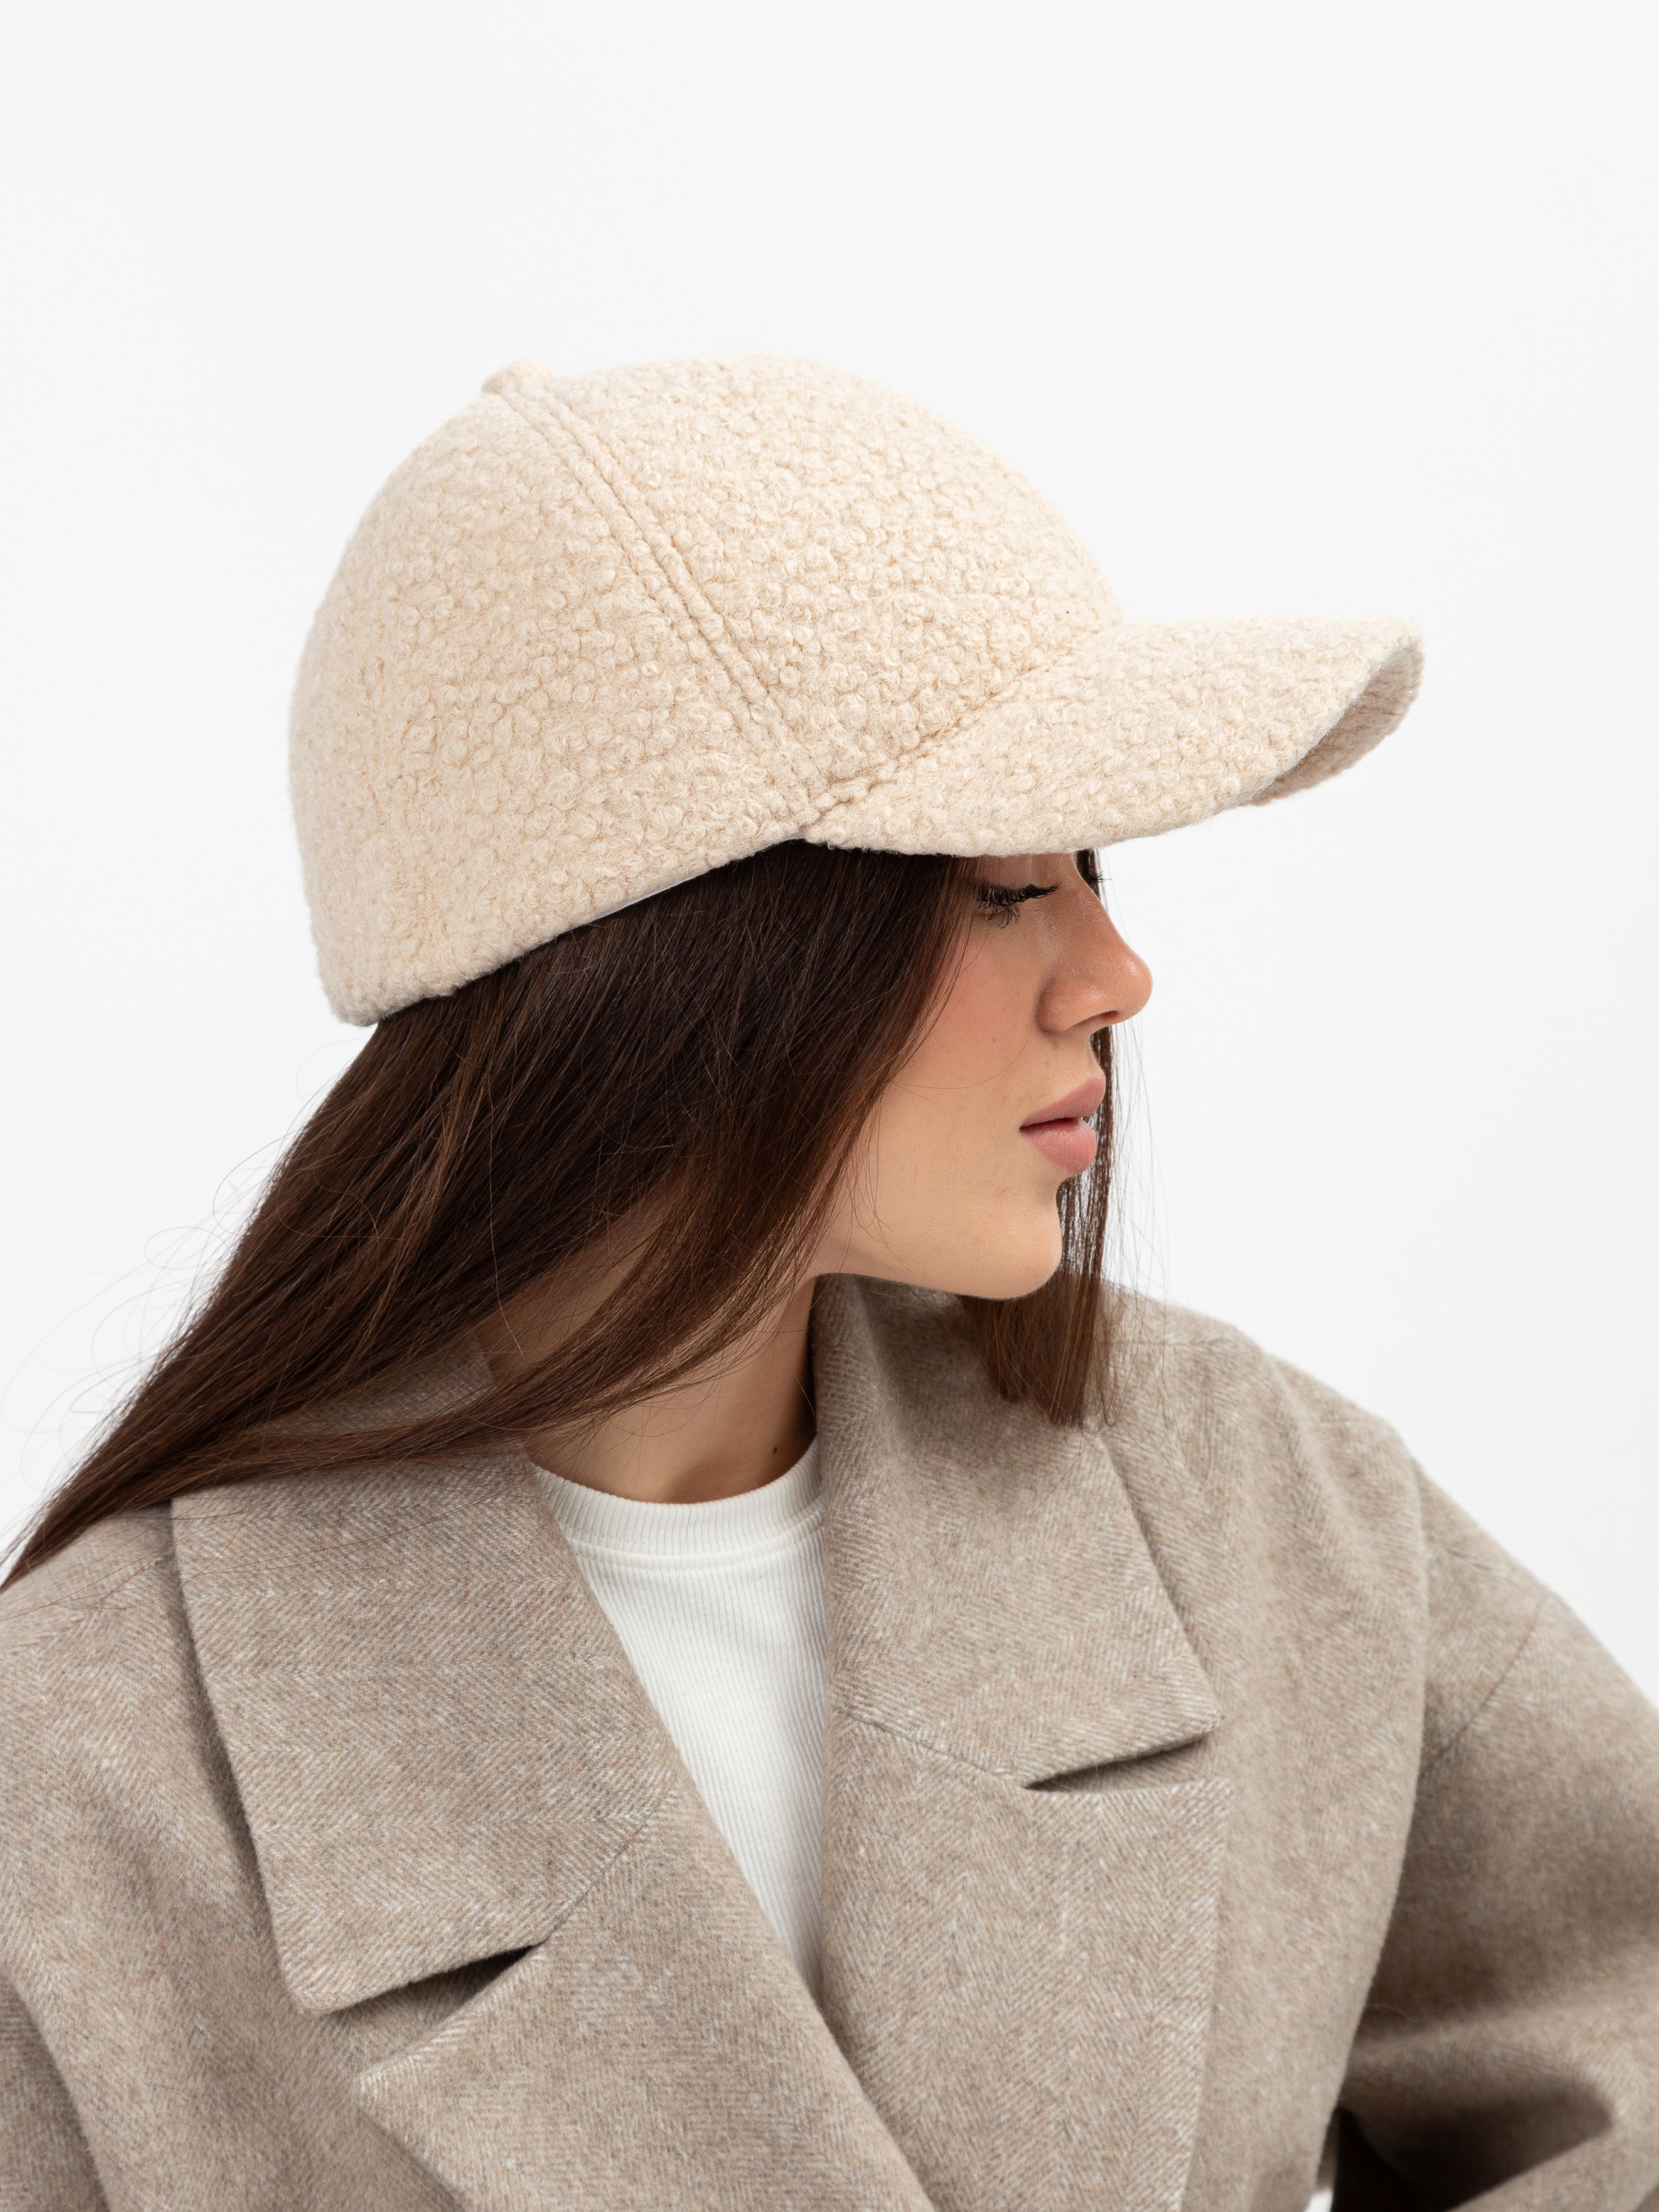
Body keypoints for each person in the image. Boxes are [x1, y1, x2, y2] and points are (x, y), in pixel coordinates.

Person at [1, 355, 1654, 2212]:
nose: (1114, 974)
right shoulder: (82, 1771)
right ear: (680, 955)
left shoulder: (1260, 1505)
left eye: (1088, 867)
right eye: (1001, 888)